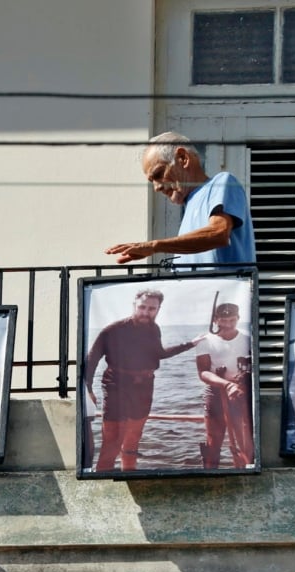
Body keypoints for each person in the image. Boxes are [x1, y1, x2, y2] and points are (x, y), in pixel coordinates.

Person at [84, 289, 199, 472]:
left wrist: (190, 344)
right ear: (134, 306)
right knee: (112, 440)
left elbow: (159, 354)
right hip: (117, 386)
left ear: (159, 309)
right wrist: (88, 389)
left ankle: (129, 474)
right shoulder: (113, 330)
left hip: (144, 387)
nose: (146, 312)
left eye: (152, 309)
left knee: (134, 437)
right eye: (142, 307)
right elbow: (92, 359)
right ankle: (102, 478)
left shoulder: (154, 329)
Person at [105, 131, 256, 266]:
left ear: (183, 158)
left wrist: (154, 246)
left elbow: (219, 233)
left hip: (225, 296)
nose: (157, 187)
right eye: (152, 182)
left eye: (158, 174)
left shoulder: (222, 182)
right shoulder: (189, 205)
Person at [195, 303, 254, 469]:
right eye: (223, 320)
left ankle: (245, 474)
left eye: (232, 320)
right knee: (213, 440)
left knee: (246, 443)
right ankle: (210, 476)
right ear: (215, 320)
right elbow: (203, 372)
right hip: (216, 393)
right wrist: (226, 384)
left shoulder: (248, 338)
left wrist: (242, 380)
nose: (227, 325)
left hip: (242, 394)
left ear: (238, 319)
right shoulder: (205, 340)